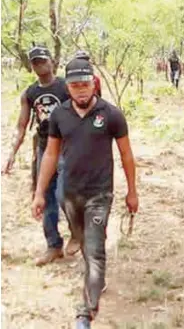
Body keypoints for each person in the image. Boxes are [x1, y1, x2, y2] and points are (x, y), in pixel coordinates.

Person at [31, 58, 138, 328]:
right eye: (75, 85)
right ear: (67, 87)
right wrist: (40, 193)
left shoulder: (111, 114)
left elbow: (126, 155)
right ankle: (94, 275)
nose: (81, 90)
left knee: (94, 248)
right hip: (69, 193)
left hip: (100, 193)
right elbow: (51, 155)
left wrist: (132, 191)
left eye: (85, 84)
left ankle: (86, 311)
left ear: (94, 84)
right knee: (81, 238)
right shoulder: (59, 116)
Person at [2, 45, 72, 266]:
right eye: (34, 62)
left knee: (65, 194)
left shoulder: (66, 87)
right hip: (44, 147)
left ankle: (80, 234)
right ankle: (53, 245)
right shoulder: (30, 93)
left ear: (52, 61)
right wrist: (12, 153)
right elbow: (22, 126)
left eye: (42, 60)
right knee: (44, 196)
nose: (39, 64)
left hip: (68, 146)